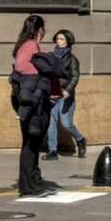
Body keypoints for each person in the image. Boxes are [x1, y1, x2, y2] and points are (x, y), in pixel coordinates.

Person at [10, 15, 59, 196]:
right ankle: (28, 186)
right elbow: (21, 67)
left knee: (34, 142)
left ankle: (34, 181)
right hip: (32, 102)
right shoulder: (30, 45)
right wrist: (43, 70)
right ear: (40, 30)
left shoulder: (29, 44)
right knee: (31, 143)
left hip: (35, 101)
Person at [44, 29, 87, 160]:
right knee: (51, 122)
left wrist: (68, 90)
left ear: (68, 41)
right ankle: (52, 151)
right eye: (57, 39)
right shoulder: (51, 56)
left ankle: (80, 139)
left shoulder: (72, 59)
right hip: (52, 93)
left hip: (64, 94)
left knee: (66, 123)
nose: (59, 41)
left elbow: (75, 76)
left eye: (62, 39)